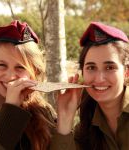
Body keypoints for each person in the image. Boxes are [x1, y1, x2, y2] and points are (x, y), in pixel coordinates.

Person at [50, 22, 129, 150]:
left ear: (126, 72)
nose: (99, 79)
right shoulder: (85, 128)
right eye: (91, 67)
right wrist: (65, 119)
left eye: (110, 67)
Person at [0, 20, 56, 150]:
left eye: (20, 67)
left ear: (34, 72)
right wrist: (11, 109)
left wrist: (65, 118)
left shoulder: (43, 110)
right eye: (2, 65)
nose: (10, 76)